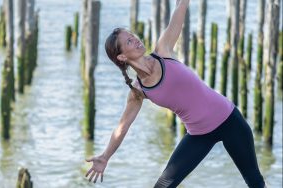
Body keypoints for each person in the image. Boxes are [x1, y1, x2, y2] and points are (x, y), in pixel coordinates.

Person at [85, 0, 266, 187]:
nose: (136, 39)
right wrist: (105, 156)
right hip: (199, 134)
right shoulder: (138, 92)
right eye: (129, 41)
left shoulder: (163, 51)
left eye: (133, 35)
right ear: (122, 57)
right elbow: (122, 128)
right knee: (163, 186)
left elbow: (180, 8)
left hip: (229, 120)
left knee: (254, 180)